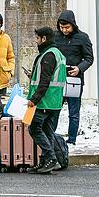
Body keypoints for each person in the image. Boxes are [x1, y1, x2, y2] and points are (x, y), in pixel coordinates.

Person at [27, 27, 67, 174]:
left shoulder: (48, 55)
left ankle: (51, 158)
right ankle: (46, 162)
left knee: (34, 128)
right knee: (47, 131)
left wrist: (34, 99)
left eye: (37, 38)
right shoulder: (59, 54)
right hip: (55, 101)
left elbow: (44, 82)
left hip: (45, 101)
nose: (36, 41)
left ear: (44, 39)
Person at [55, 10, 94, 145]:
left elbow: (89, 58)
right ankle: (51, 137)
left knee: (73, 112)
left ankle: (72, 139)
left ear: (72, 25)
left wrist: (79, 68)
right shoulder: (55, 37)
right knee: (54, 110)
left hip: (74, 80)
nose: (64, 30)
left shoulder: (82, 38)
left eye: (67, 27)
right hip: (58, 80)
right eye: (61, 27)